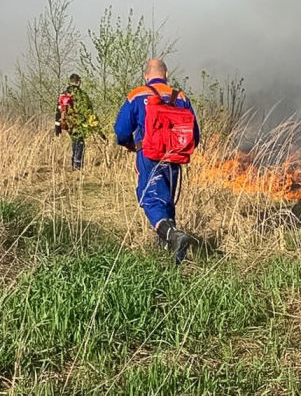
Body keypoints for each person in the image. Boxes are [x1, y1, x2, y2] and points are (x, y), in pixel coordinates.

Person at [114, 59, 200, 263]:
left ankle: (173, 236)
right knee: (166, 201)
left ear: (146, 76)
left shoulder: (137, 95)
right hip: (174, 157)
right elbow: (195, 136)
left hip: (149, 156)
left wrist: (130, 145)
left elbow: (121, 131)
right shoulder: (181, 97)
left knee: (150, 199)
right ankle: (172, 256)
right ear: (166, 74)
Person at [55, 73, 100, 170]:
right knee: (80, 142)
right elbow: (88, 110)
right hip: (79, 123)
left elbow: (58, 110)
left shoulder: (63, 94)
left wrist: (57, 128)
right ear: (78, 82)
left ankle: (74, 163)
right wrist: (93, 124)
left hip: (68, 124)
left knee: (74, 141)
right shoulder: (82, 95)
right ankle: (77, 165)